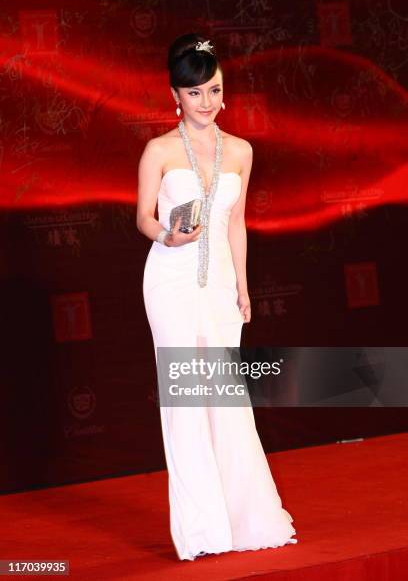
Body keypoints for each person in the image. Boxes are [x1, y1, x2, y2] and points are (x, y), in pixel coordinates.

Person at [137, 32, 297, 561]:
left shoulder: (242, 152)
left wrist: (244, 287)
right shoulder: (158, 150)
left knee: (228, 401)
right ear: (175, 96)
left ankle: (246, 522)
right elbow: (143, 218)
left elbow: (238, 225)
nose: (206, 102)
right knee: (186, 402)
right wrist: (168, 234)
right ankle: (202, 532)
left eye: (214, 89)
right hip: (171, 280)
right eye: (194, 92)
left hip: (221, 282)